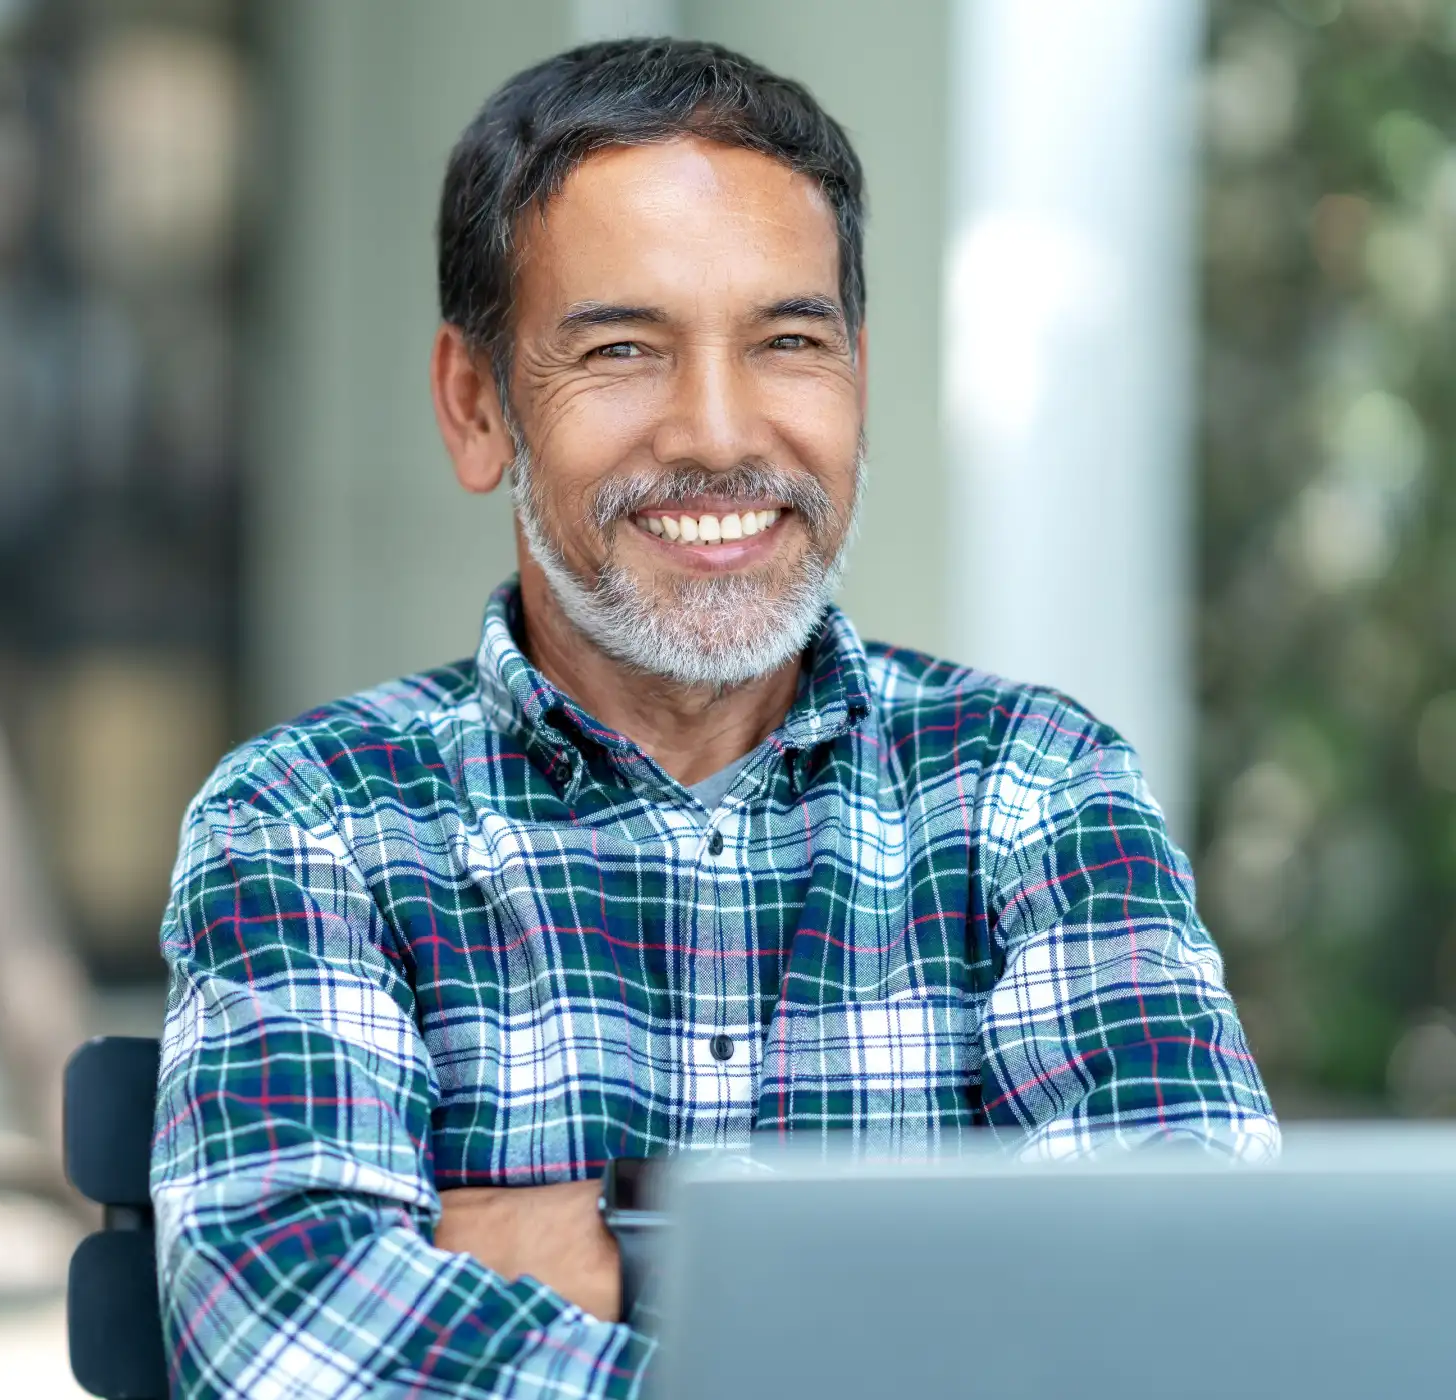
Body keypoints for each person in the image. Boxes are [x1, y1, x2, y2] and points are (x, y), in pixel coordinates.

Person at [152, 37, 1278, 1399]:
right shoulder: (314, 821)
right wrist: (938, 1307)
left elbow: (1193, 1314)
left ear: (858, 379)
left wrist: (615, 1254)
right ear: (476, 405)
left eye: (788, 342)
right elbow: (286, 1332)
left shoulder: (1036, 788)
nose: (719, 433)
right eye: (623, 349)